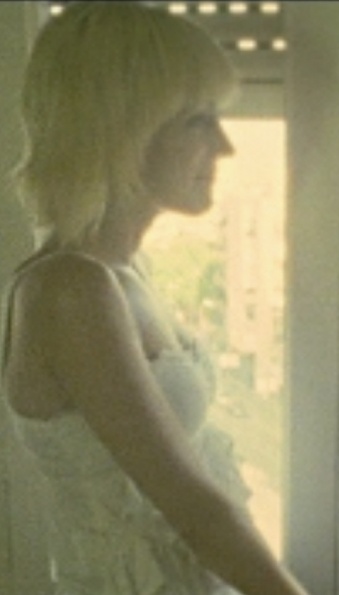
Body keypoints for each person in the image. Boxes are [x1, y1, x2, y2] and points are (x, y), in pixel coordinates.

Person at [1, 3, 308, 595]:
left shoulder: (125, 272)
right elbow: (194, 510)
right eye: (197, 121)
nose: (223, 146)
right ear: (124, 130)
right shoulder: (71, 292)